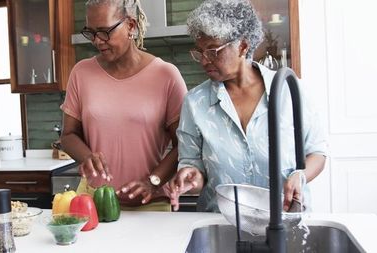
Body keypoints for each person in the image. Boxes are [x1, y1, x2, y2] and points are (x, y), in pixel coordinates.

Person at [168, 0, 327, 212]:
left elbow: (317, 152)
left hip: (285, 219)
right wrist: (192, 175)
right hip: (220, 222)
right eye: (200, 52)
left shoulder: (289, 90)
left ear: (242, 46)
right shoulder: (195, 103)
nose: (204, 60)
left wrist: (301, 176)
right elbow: (191, 162)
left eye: (213, 51)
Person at [60, 0, 188, 211]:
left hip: (150, 204)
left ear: (130, 26)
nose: (97, 41)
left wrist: (153, 181)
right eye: (91, 32)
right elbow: (68, 136)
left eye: (104, 31)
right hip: (93, 201)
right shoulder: (81, 73)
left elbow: (183, 145)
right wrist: (87, 156)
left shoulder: (166, 76)